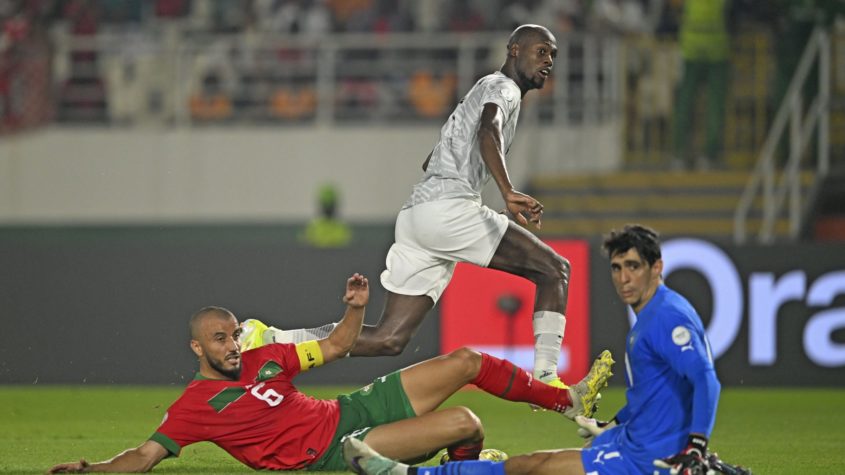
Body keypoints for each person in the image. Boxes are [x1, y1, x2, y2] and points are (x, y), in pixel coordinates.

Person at [251, 24, 572, 390]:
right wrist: (508, 191)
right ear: (514, 50)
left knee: (389, 338)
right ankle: (546, 378)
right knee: (554, 270)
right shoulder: (505, 88)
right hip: (449, 210)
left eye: (553, 55)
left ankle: (271, 339)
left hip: (417, 216)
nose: (549, 61)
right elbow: (489, 130)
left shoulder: (481, 89)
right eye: (541, 51)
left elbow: (430, 160)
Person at [48, 273, 614, 474]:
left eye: (234, 334)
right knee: (466, 422)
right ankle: (459, 469)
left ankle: (565, 402)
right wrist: (94, 469)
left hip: (352, 409)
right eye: (219, 339)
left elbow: (340, 345)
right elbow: (144, 456)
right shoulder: (194, 407)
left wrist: (356, 307)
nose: (232, 345)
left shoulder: (263, 358)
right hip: (339, 448)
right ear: (197, 347)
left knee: (466, 359)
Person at [342, 225, 752, 475]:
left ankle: (405, 474)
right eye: (616, 267)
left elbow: (705, 379)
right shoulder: (652, 314)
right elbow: (654, 390)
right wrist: (614, 421)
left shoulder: (666, 318)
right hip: (631, 442)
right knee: (535, 465)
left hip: (648, 459)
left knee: (531, 467)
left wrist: (696, 446)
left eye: (634, 267)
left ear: (656, 267)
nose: (624, 278)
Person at [670, 0, 732, 171]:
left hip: (691, 50)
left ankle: (680, 154)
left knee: (685, 104)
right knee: (714, 107)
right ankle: (708, 156)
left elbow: (674, 7)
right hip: (716, 51)